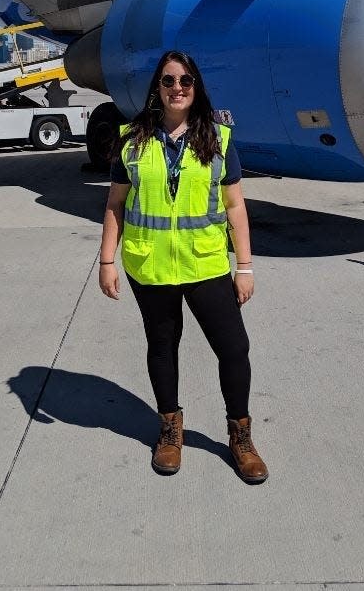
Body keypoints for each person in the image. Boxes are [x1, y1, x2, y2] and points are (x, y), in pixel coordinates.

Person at [99, 50, 268, 483]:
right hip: (150, 266)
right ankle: (170, 430)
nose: (178, 88)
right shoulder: (132, 139)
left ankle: (240, 435)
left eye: (186, 81)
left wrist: (244, 266)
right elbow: (116, 203)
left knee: (234, 349)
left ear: (197, 88)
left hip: (206, 263)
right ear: (157, 86)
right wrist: (106, 260)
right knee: (162, 347)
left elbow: (235, 207)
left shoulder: (218, 138)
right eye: (169, 80)